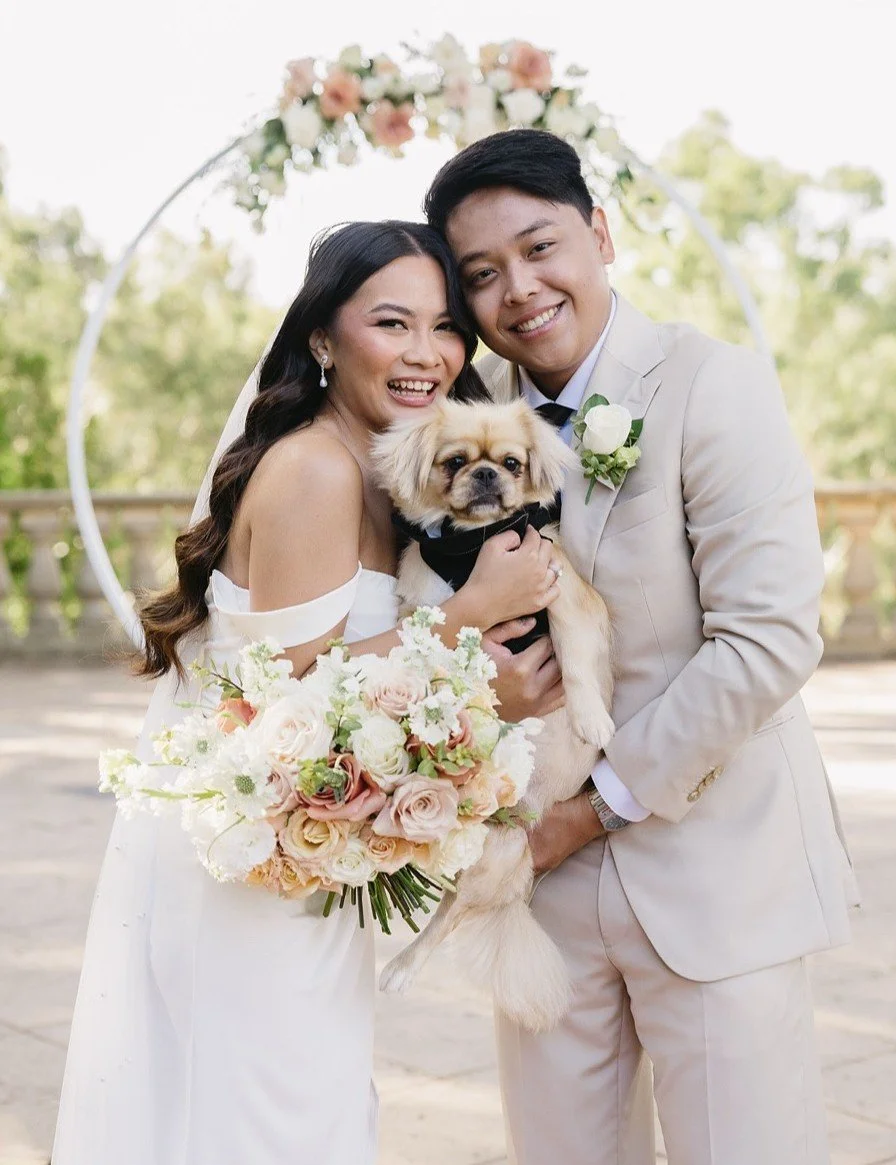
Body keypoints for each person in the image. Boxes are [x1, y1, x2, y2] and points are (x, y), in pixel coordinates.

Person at [52, 220, 562, 1165]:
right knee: (274, 1116)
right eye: (392, 323)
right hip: (251, 866)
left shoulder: (375, 469)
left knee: (303, 1105)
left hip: (296, 854)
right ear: (324, 338)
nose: (426, 354)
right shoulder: (317, 470)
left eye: (446, 326)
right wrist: (471, 620)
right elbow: (288, 700)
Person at [424, 129, 861, 1165]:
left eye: (539, 249)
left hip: (718, 873)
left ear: (600, 233)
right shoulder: (455, 431)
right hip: (535, 892)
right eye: (481, 275)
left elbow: (765, 639)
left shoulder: (713, 383)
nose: (518, 290)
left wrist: (587, 812)